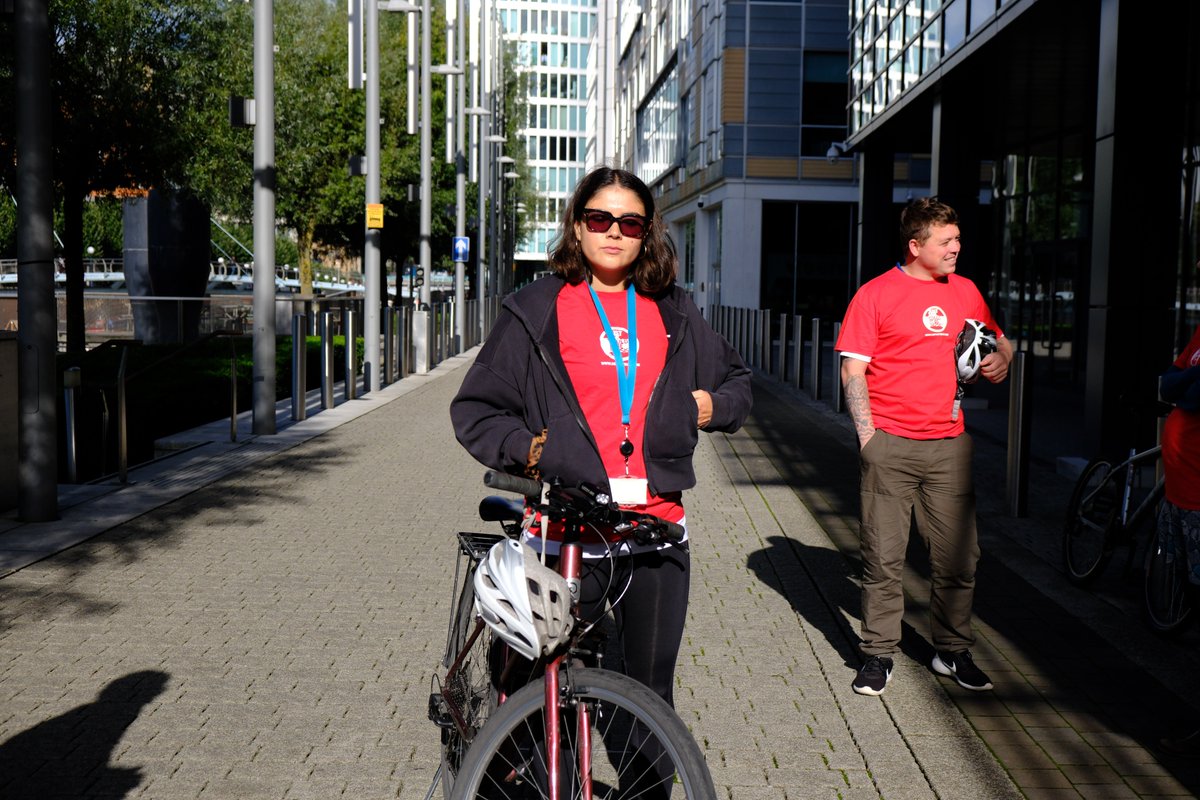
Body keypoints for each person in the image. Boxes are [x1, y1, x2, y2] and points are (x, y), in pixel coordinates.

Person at [450, 165, 752, 713]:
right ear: (578, 226)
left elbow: (737, 384)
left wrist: (707, 408)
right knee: (532, 696)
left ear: (647, 234)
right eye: (600, 218)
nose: (614, 232)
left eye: (630, 224)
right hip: (562, 530)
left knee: (650, 701)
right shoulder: (537, 309)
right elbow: (476, 409)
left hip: (652, 532)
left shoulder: (673, 309)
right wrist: (532, 450)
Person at [834, 197, 1013, 696]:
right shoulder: (876, 294)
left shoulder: (967, 291)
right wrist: (868, 438)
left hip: (949, 447)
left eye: (957, 239)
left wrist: (1002, 359)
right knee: (883, 557)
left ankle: (951, 651)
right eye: (945, 241)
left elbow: (1001, 341)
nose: (956, 248)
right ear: (916, 246)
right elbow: (854, 370)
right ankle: (877, 654)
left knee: (959, 558)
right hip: (890, 443)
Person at [1155, 321, 1200, 756]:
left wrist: (1184, 385)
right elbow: (1170, 385)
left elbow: (1189, 392)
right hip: (1182, 494)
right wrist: (1184, 384)